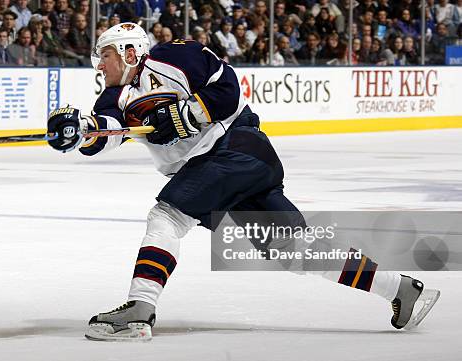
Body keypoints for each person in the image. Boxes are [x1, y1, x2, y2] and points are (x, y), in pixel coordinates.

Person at [45, 22, 440, 341]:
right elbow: (106, 131)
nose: (100, 65)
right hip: (229, 166)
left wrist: (184, 115)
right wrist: (79, 130)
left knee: (167, 217)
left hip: (234, 147)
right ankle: (401, 289)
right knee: (294, 249)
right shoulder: (115, 96)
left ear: (131, 50)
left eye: (106, 55)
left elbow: (227, 86)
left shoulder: (170, 56)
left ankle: (139, 309)